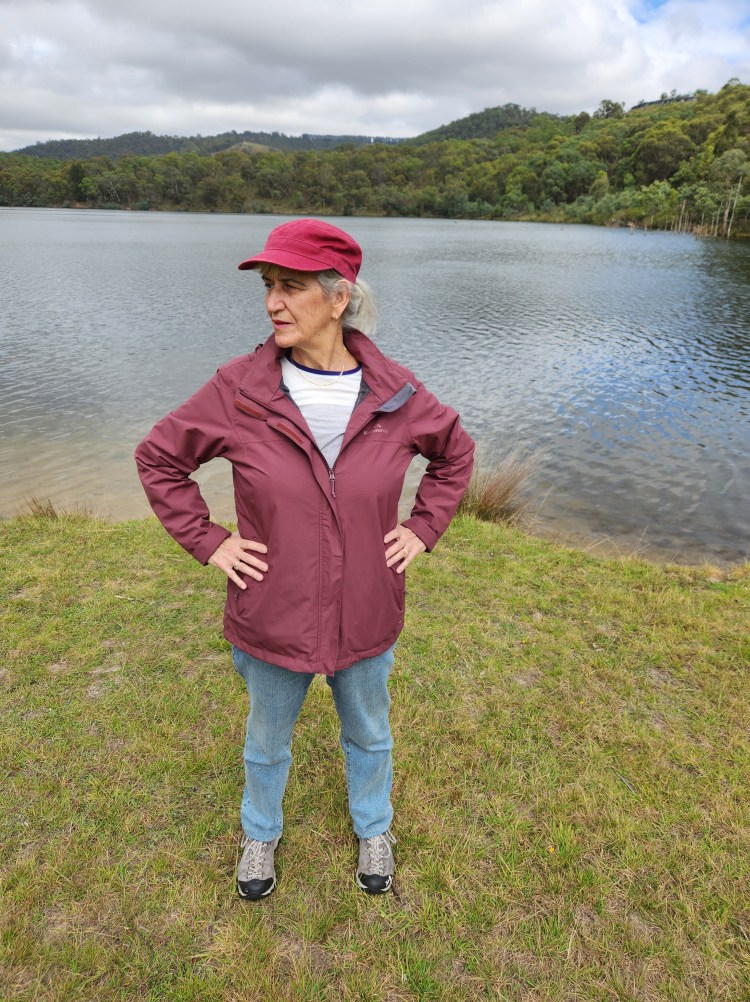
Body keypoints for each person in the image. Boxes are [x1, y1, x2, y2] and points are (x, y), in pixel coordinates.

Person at [135, 218, 474, 900]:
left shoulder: (396, 393)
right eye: (269, 286)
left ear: (338, 298)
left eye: (291, 287)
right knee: (266, 740)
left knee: (369, 733)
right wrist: (211, 540)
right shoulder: (239, 389)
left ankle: (374, 827)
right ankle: (260, 834)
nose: (272, 303)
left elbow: (454, 454)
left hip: (366, 607)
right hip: (273, 609)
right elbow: (159, 458)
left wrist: (423, 527)